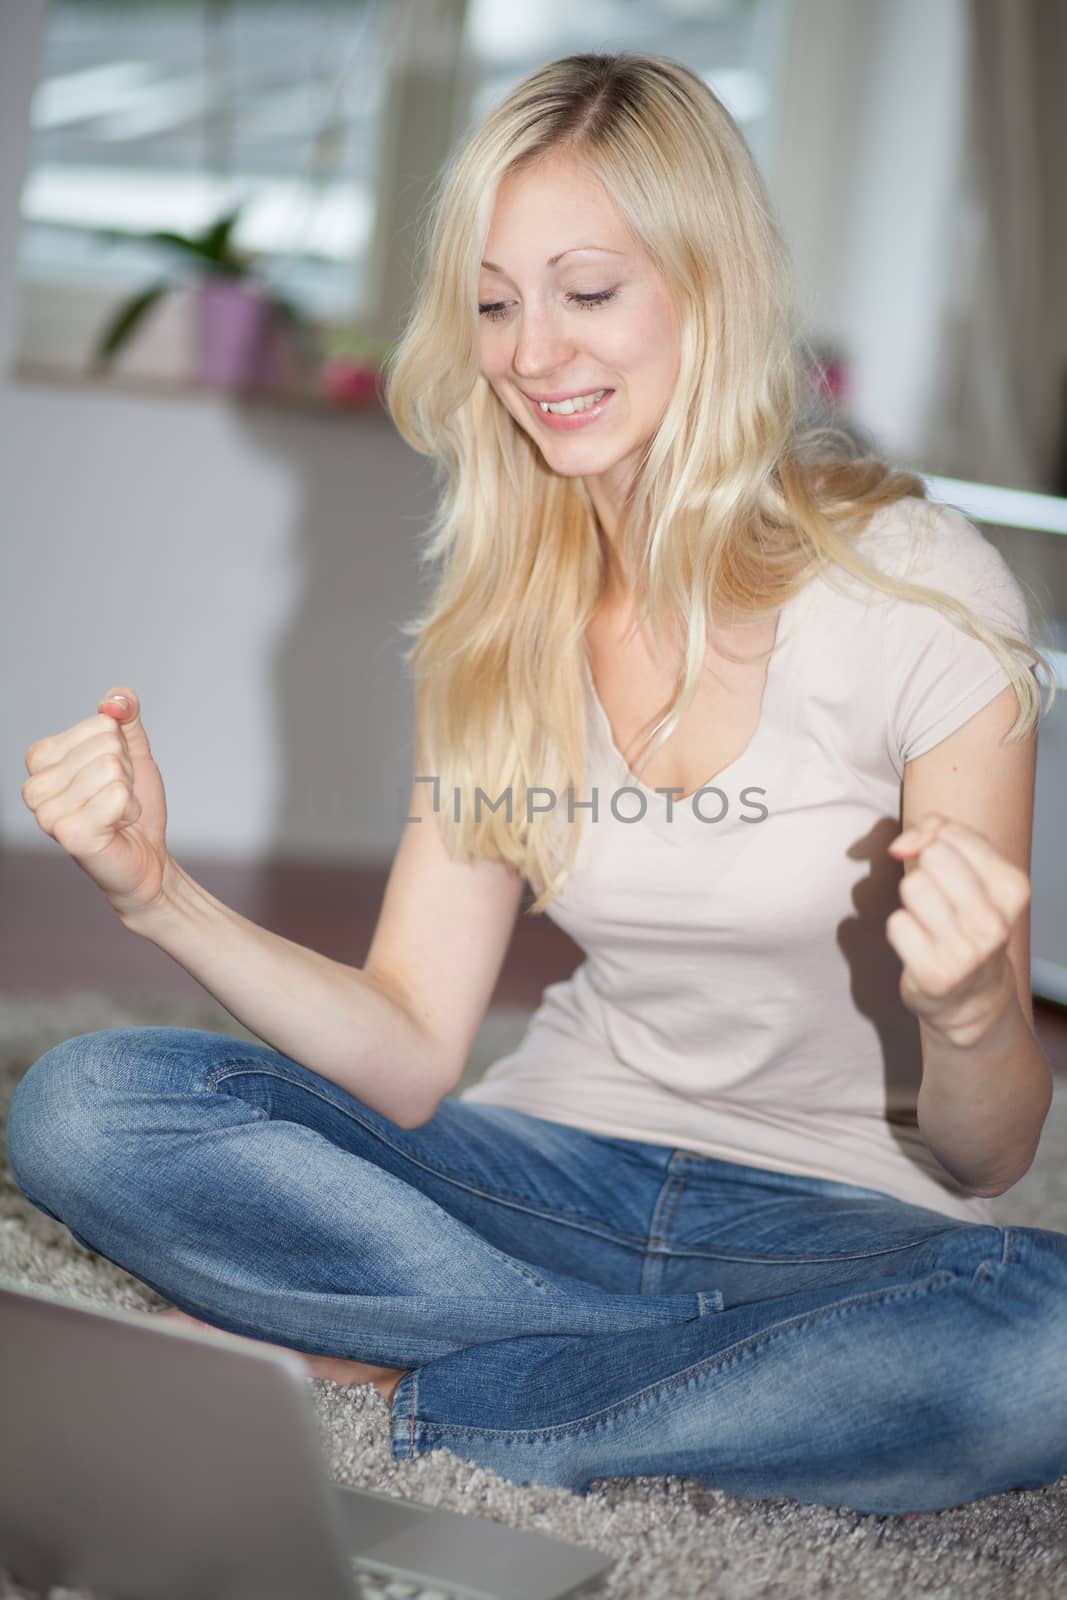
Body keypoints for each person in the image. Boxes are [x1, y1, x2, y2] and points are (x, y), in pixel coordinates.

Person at [8, 52, 1066, 1516]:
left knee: (1046, 1345)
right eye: (496, 303)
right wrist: (159, 895)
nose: (530, 352)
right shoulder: (502, 620)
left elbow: (991, 1144)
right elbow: (409, 1047)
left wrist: (965, 1010)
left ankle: (414, 1377)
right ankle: (669, 1388)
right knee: (88, 1104)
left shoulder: (918, 588)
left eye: (588, 290)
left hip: (843, 1226)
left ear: (711, 286)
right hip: (543, 1173)